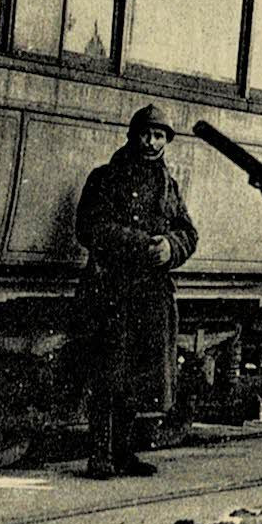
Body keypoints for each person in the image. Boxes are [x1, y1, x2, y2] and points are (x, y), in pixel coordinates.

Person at [75, 104, 199, 479]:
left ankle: (124, 453)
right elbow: (89, 228)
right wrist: (142, 243)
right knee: (107, 373)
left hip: (149, 292)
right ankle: (99, 455)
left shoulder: (169, 186)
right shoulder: (105, 177)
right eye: (146, 133)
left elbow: (189, 233)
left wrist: (170, 248)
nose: (152, 142)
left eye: (159, 135)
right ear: (133, 135)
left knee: (137, 375)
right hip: (110, 288)